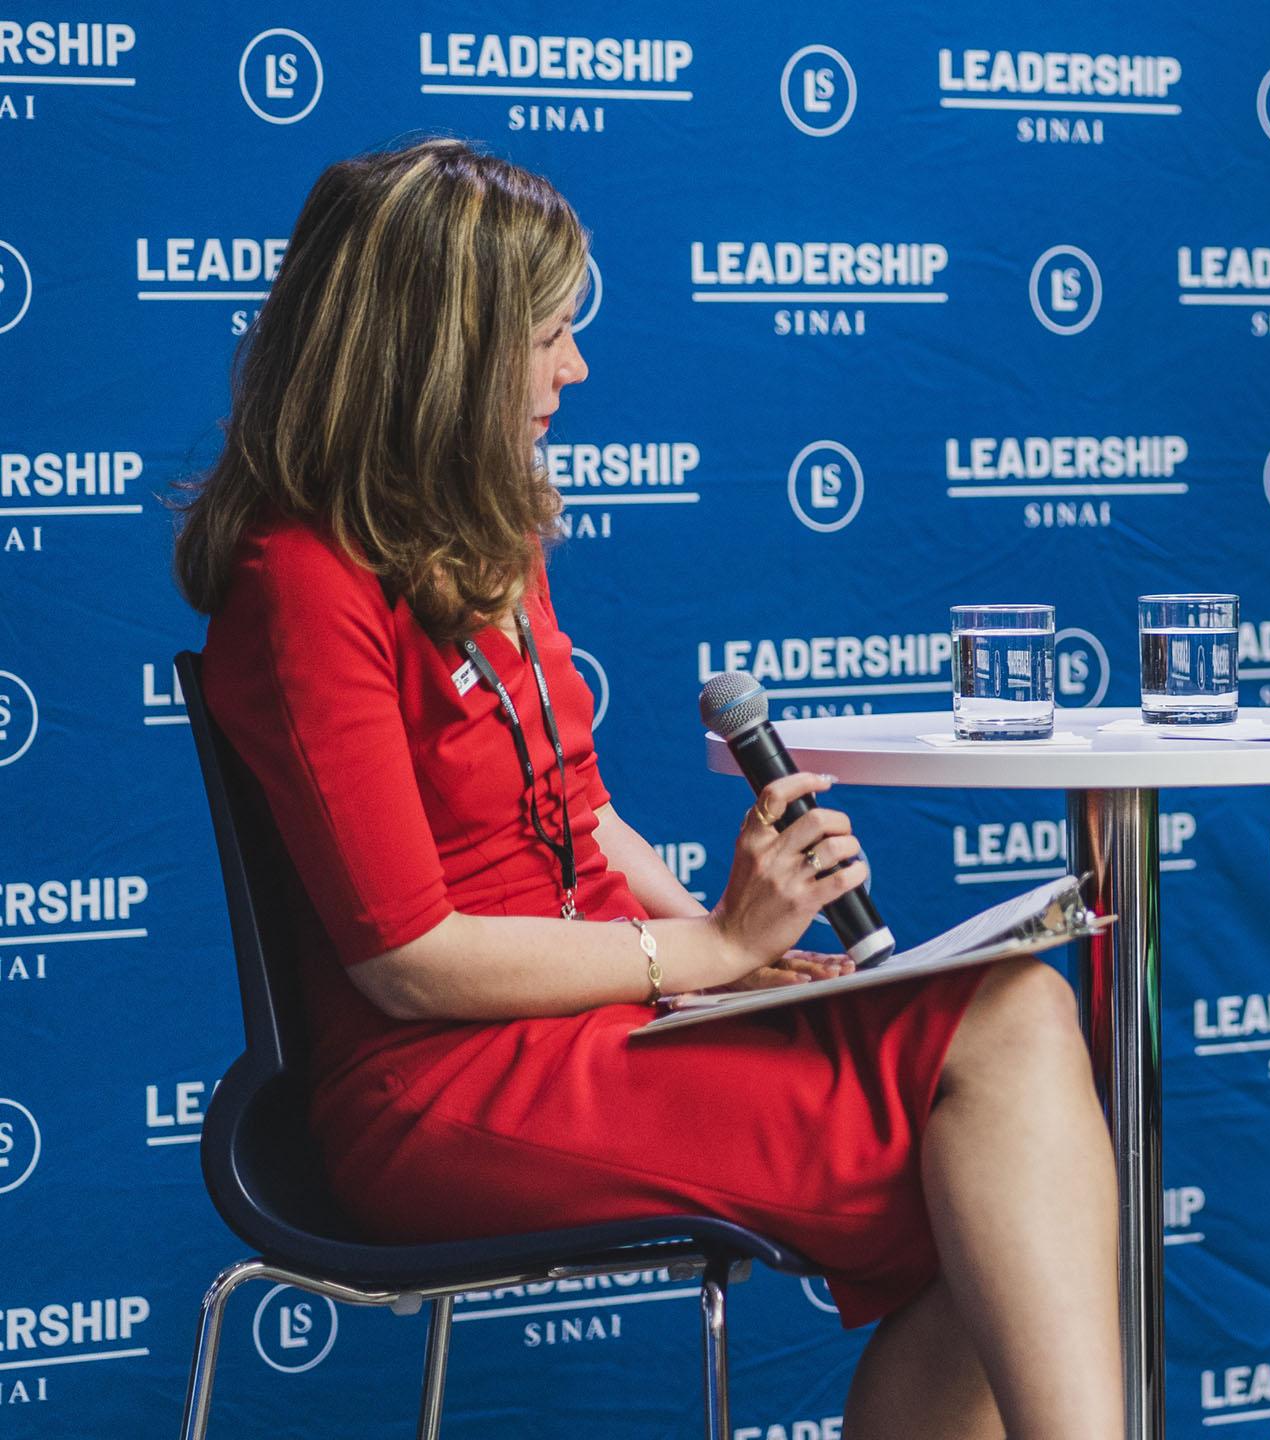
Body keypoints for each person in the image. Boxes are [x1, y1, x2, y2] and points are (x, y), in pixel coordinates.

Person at [173, 139, 1120, 1440]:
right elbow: (410, 962)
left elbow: (584, 819)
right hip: (438, 1085)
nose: (576, 369)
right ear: (443, 352)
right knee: (1001, 1173)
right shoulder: (299, 584)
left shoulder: (483, 532)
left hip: (601, 1023)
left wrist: (746, 966)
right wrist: (711, 944)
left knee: (1013, 1024)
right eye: (549, 335)